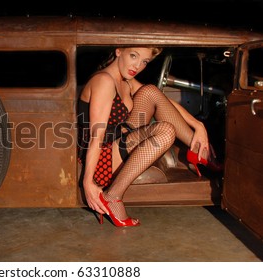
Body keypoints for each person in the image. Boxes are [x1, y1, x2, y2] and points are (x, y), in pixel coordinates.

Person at [77, 46, 219, 227]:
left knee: (151, 91)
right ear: (119, 51)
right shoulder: (104, 81)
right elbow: (96, 137)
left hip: (118, 139)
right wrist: (88, 182)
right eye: (133, 56)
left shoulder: (125, 80)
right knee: (165, 131)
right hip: (102, 158)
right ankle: (113, 196)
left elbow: (163, 100)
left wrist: (198, 125)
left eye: (144, 62)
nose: (137, 66)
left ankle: (199, 150)